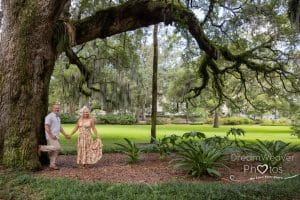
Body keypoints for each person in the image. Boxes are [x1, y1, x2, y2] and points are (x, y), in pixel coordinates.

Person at [39, 103, 70, 170]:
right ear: (52, 109)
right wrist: (51, 135)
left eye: (58, 108)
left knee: (54, 151)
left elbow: (60, 128)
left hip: (56, 136)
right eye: (56, 108)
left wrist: (65, 135)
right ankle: (41, 147)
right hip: (51, 136)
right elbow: (46, 126)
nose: (57, 109)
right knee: (57, 147)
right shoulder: (49, 116)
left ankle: (52, 165)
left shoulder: (58, 118)